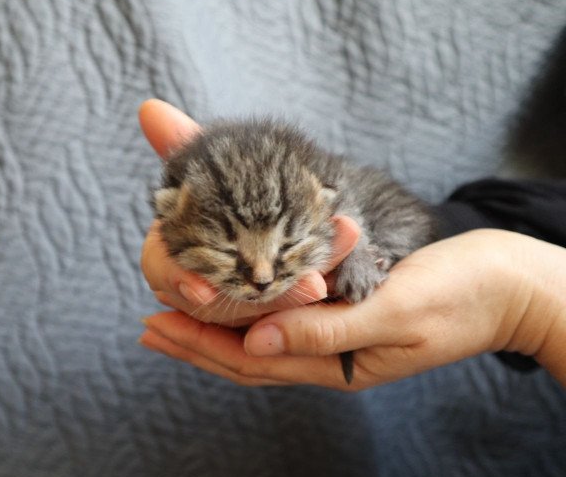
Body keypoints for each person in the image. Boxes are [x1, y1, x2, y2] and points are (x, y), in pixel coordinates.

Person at [138, 99, 566, 389]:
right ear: (169, 218)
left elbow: (357, 219)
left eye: (287, 246)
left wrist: (526, 305)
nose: (264, 276)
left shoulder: (334, 202)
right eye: (229, 252)